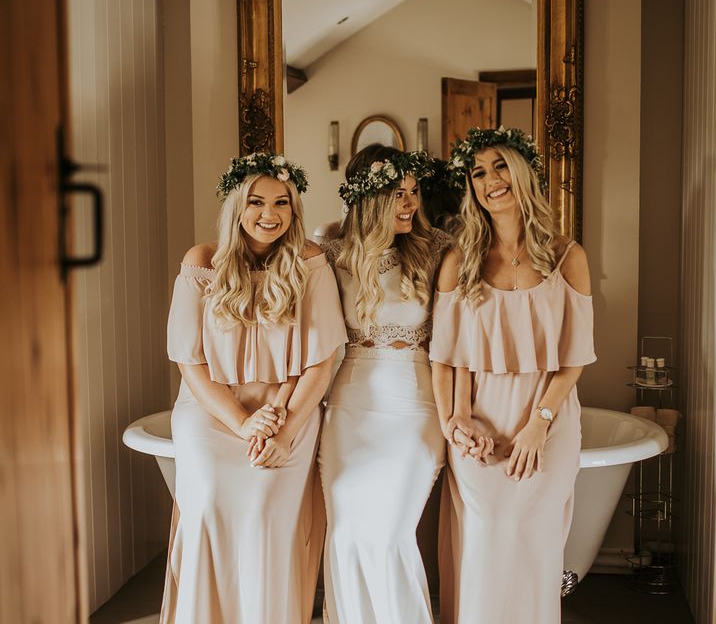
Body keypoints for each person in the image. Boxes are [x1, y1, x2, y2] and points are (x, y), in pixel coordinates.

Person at [161, 152, 347, 624]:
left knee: (265, 504)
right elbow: (191, 363)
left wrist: (281, 430)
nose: (269, 214)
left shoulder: (310, 261)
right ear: (236, 206)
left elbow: (321, 364)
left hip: (289, 409)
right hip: (213, 410)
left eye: (281, 202)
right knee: (207, 500)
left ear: (294, 208)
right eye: (257, 202)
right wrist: (243, 423)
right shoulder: (201, 262)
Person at [430, 127, 597, 624]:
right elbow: (448, 357)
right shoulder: (459, 261)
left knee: (534, 543)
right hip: (480, 419)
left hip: (546, 416)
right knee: (486, 542)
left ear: (523, 172)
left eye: (500, 165)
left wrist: (539, 423)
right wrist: (456, 420)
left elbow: (574, 360)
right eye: (477, 172)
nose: (490, 180)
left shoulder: (569, 257)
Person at [318, 144, 453, 624]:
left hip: (416, 404)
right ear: (368, 197)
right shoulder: (330, 250)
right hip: (350, 406)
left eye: (414, 193)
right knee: (347, 533)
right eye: (398, 194)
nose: (410, 204)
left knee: (390, 533)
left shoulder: (435, 248)